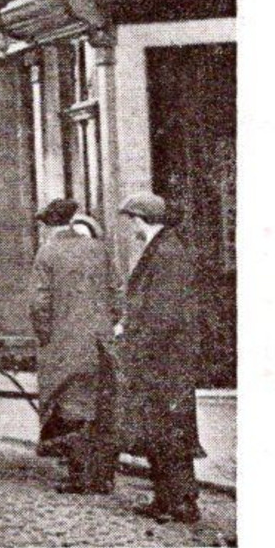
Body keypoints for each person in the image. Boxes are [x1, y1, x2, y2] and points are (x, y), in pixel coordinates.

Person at [117, 191, 205, 524]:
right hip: (159, 359)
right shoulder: (164, 248)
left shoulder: (167, 253)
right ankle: (166, 499)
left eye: (132, 222)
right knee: (160, 430)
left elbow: (163, 314)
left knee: (172, 432)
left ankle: (182, 502)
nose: (131, 229)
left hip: (165, 361)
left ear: (141, 220)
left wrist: (135, 343)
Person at [29, 197, 120, 494]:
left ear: (48, 226)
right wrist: (108, 324)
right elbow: (117, 291)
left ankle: (79, 475)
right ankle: (103, 475)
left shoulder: (48, 253)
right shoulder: (98, 249)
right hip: (100, 342)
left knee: (69, 408)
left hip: (64, 343)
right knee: (99, 406)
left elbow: (39, 303)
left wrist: (45, 337)